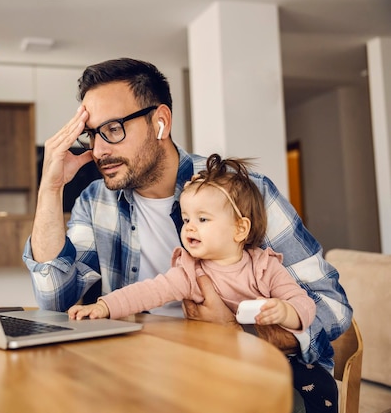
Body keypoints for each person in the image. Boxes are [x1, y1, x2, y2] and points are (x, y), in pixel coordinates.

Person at [22, 58, 352, 412]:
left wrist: (238, 333)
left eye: (113, 129)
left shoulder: (240, 195)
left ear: (160, 121)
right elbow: (56, 306)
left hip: (251, 369)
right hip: (144, 368)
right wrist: (51, 188)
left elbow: (332, 306)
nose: (99, 149)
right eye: (92, 134)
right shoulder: (94, 201)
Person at [68, 153, 337, 413]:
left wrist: (287, 312)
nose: (189, 228)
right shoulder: (189, 270)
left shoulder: (265, 266)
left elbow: (303, 302)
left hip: (274, 359)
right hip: (217, 364)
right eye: (186, 219)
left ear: (240, 229)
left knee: (320, 387)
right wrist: (104, 306)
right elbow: (148, 291)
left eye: (202, 219)